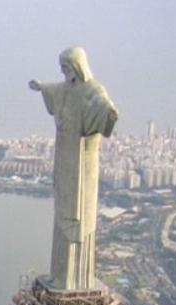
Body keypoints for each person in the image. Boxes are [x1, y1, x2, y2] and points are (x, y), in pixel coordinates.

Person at [29, 47, 118, 290]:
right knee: (62, 215)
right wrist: (41, 86)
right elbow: (54, 89)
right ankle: (60, 276)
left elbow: (104, 109)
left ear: (78, 65)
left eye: (66, 68)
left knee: (79, 217)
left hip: (83, 166)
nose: (63, 72)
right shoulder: (66, 89)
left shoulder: (93, 90)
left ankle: (76, 280)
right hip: (65, 161)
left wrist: (108, 112)